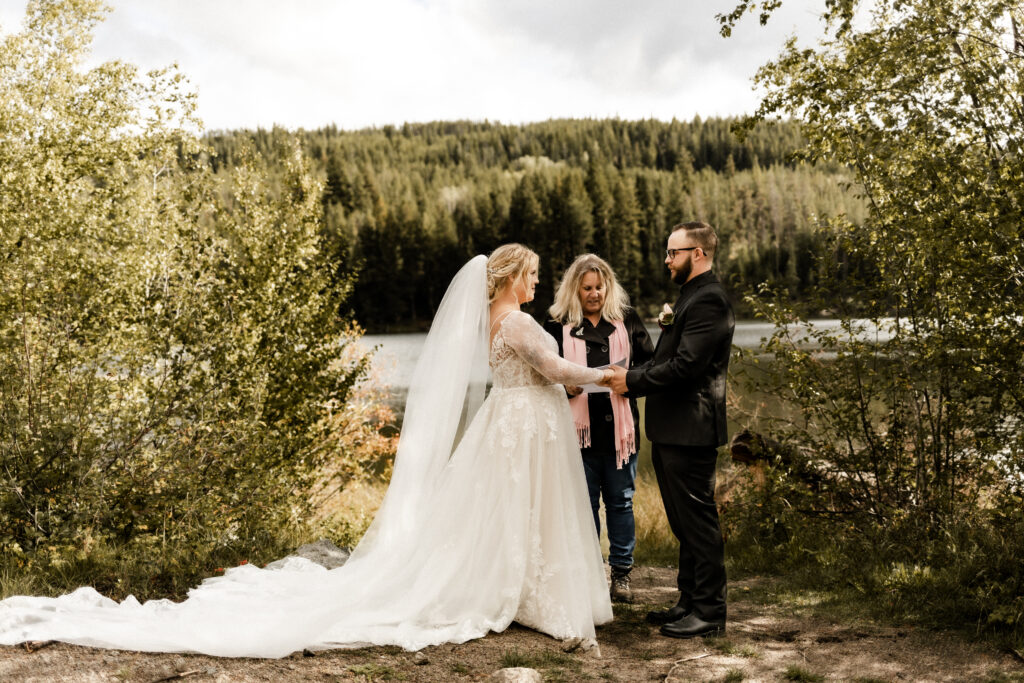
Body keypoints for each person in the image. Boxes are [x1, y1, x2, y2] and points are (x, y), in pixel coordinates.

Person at [0, 244, 616, 657]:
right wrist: (607, 376)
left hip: (508, 423)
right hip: (523, 423)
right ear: (513, 276)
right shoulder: (516, 322)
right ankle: (523, 590)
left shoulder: (487, 321)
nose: (538, 282)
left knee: (505, 511)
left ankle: (514, 585)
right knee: (521, 509)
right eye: (533, 274)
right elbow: (558, 371)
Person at [608, 222, 735, 639]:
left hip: (691, 429)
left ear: (698, 253)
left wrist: (632, 382)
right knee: (683, 524)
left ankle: (711, 611)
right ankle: (688, 601)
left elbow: (685, 367)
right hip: (672, 430)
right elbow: (670, 356)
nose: (667, 260)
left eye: (673, 253)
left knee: (698, 522)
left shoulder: (710, 300)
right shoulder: (690, 297)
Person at [543, 254, 653, 603]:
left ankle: (622, 576)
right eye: (587, 288)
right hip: (578, 434)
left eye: (599, 287)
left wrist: (629, 381)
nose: (594, 294)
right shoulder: (556, 326)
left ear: (609, 286)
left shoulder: (627, 321)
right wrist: (563, 387)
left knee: (621, 503)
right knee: (584, 505)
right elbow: (539, 375)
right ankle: (590, 575)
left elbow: (651, 367)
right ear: (574, 290)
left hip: (620, 432)